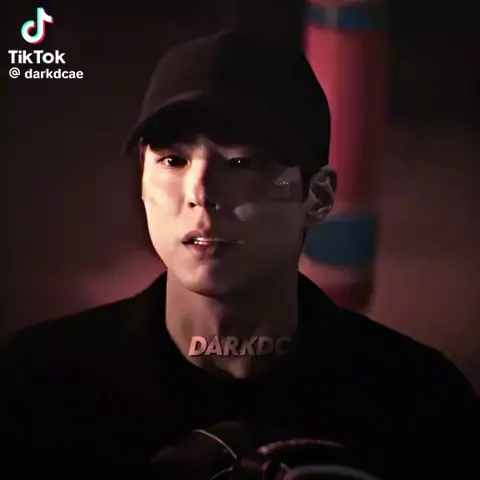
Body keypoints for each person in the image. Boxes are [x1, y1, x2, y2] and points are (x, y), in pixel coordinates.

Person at [1, 30, 479, 479]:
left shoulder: (418, 401)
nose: (200, 193)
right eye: (173, 160)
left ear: (317, 196)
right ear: (142, 182)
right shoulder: (37, 386)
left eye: (241, 162)